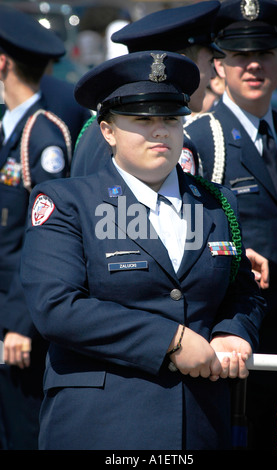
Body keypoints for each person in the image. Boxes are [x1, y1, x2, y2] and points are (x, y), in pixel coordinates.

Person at [20, 50, 266, 450]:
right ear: (107, 130)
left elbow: (242, 290)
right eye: (142, 119)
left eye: (170, 118)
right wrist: (170, 340)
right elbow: (57, 306)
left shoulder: (216, 203)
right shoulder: (67, 201)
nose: (160, 131)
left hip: (199, 424)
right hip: (100, 426)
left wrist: (232, 332)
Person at [183, 0, 277, 449]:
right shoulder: (200, 140)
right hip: (235, 344)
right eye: (239, 56)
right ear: (219, 66)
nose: (253, 65)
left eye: (265, 53)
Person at [0, 4, 72, 449]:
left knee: (22, 435)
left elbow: (45, 238)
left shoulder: (40, 135)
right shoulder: (11, 127)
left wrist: (19, 324)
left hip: (17, 329)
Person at [70, 0, 225, 178]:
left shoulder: (102, 127)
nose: (214, 75)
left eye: (170, 119)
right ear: (182, 64)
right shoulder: (159, 146)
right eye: (209, 63)